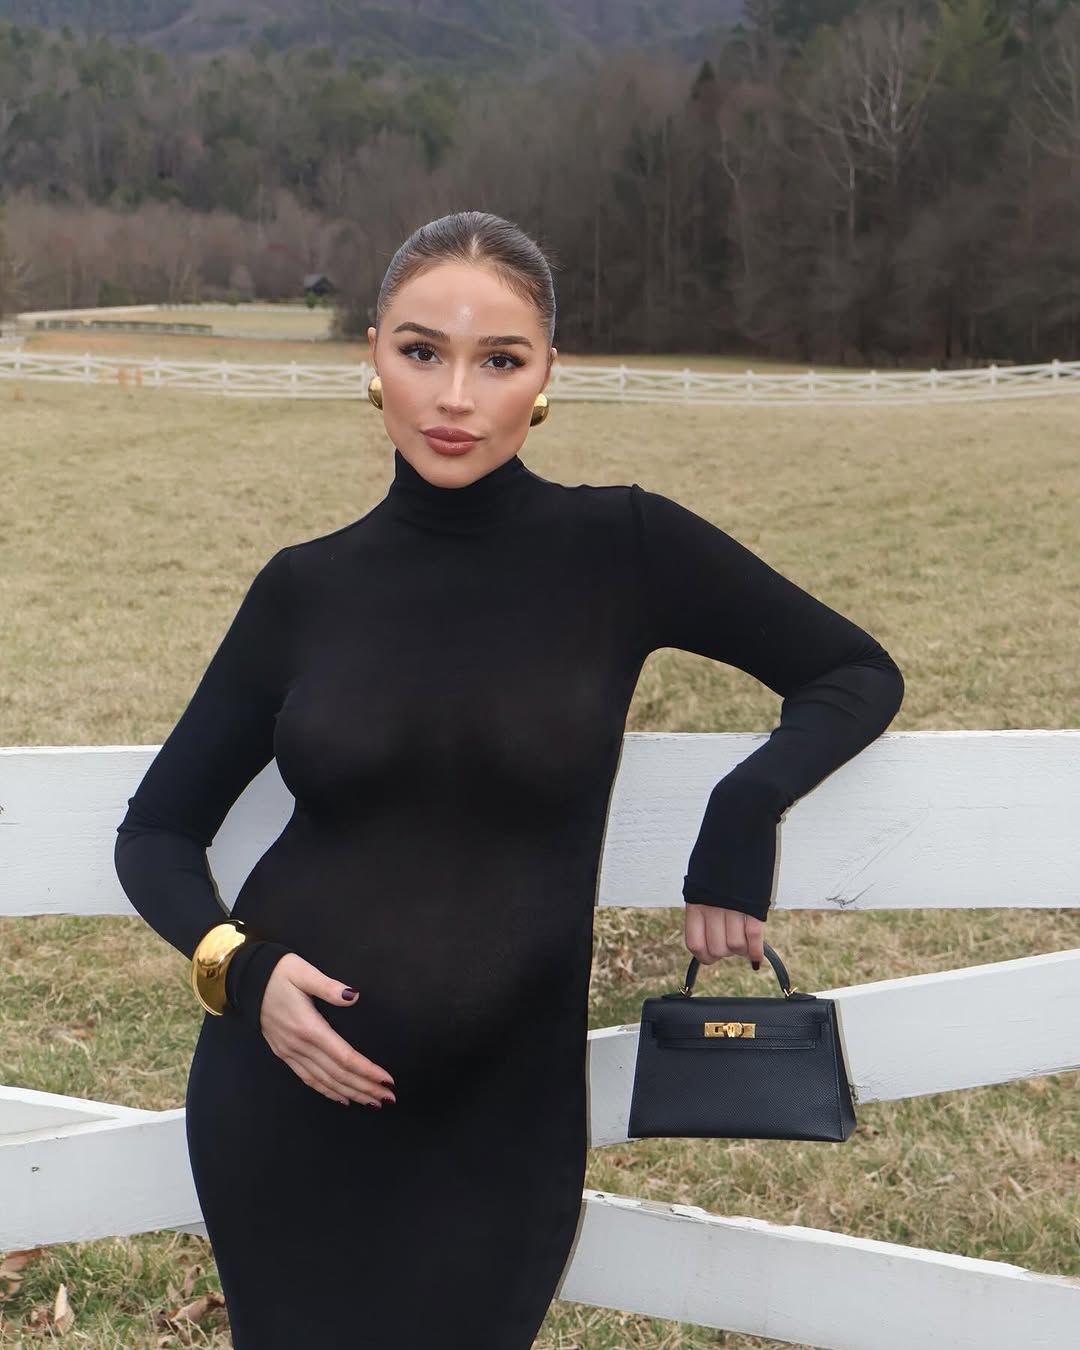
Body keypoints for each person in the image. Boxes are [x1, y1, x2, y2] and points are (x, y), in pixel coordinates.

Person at [114, 209, 904, 1348]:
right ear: (374, 357)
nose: (455, 398)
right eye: (421, 351)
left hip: (501, 1124)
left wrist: (742, 810)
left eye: (498, 360)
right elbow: (156, 831)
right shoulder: (305, 589)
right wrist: (241, 973)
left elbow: (851, 671)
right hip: (284, 1105)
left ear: (545, 376)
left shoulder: (623, 546)